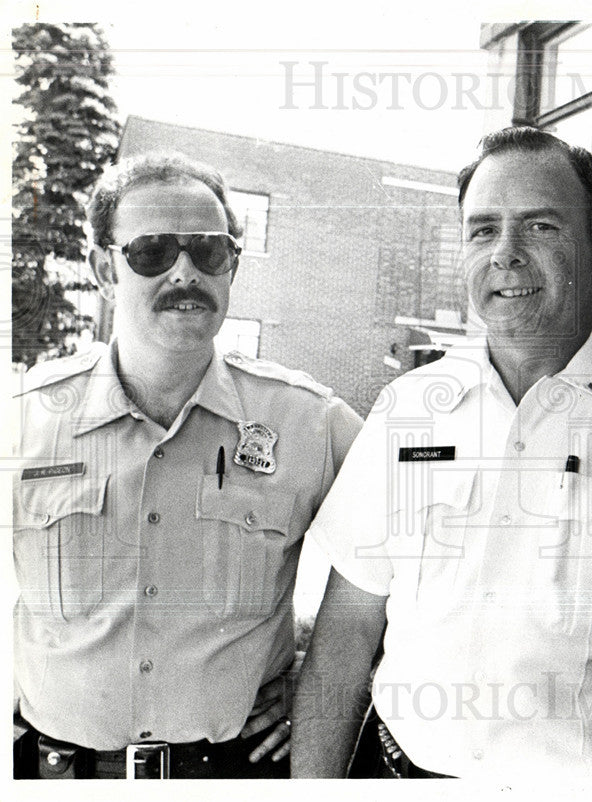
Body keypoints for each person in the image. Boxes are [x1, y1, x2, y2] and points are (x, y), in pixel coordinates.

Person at [291, 127, 592, 778]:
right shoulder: (409, 409)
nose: (506, 255)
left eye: (541, 226)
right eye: (482, 230)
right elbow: (347, 632)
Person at [12, 153, 362, 779]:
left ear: (231, 266)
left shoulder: (309, 422)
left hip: (234, 776)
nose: (184, 272)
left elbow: (428, 559)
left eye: (208, 251)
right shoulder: (23, 423)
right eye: (151, 252)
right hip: (60, 777)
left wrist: (324, 677)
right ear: (104, 270)